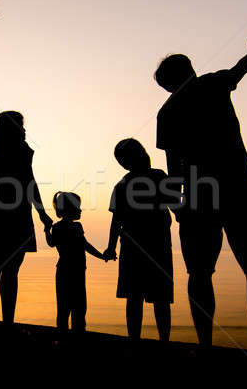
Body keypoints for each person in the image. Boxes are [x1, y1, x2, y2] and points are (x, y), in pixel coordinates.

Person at [154, 33, 247, 353]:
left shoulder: (167, 112)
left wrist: (177, 207)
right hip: (240, 189)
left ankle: (206, 346)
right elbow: (242, 67)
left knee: (199, 273)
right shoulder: (212, 84)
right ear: (191, 69)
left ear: (169, 85)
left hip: (198, 198)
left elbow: (172, 169)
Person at [0, 111, 53, 325]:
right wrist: (38, 212)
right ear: (11, 128)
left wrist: (40, 212)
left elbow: (30, 183)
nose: (24, 130)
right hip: (6, 216)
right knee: (0, 268)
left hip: (12, 215)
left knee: (5, 268)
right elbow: (28, 184)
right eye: (21, 126)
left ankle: (1, 320)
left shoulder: (11, 152)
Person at [104, 139, 174, 342]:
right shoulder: (159, 176)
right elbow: (175, 205)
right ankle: (164, 341)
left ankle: (134, 340)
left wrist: (110, 247)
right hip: (158, 245)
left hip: (132, 247)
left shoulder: (121, 185)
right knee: (160, 299)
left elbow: (116, 222)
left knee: (134, 298)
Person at [45, 192, 114, 336]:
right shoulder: (76, 227)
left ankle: (63, 337)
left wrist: (47, 230)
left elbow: (51, 243)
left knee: (63, 308)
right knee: (79, 308)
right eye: (78, 207)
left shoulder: (57, 228)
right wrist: (102, 256)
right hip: (75, 273)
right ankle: (78, 338)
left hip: (63, 271)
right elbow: (86, 246)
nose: (80, 210)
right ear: (70, 209)